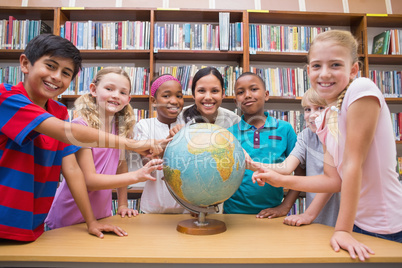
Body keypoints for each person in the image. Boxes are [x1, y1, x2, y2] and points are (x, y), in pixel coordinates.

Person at [251, 30, 402, 261]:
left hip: (387, 227)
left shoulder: (361, 89)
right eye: (316, 66)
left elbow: (353, 165)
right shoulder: (326, 118)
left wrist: (341, 229)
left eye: (335, 65)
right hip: (357, 224)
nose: (324, 74)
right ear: (308, 70)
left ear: (353, 69)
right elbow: (333, 181)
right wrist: (280, 179)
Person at [0, 34, 166, 241]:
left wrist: (91, 221)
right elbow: (70, 134)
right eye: (50, 66)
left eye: (66, 73)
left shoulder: (59, 111)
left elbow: (72, 170)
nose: (57, 77)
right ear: (25, 63)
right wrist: (133, 146)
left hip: (34, 223)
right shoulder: (5, 97)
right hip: (5, 220)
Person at [45, 67, 164, 229]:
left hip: (101, 215)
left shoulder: (120, 128)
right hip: (69, 216)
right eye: (109, 89)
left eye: (123, 92)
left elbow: (121, 165)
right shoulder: (80, 127)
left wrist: (122, 204)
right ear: (93, 90)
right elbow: (90, 181)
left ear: (128, 99)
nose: (116, 95)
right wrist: (136, 176)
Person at [247, 88, 340, 227]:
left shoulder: (338, 135)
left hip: (339, 216)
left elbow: (331, 183)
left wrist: (308, 214)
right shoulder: (305, 136)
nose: (312, 115)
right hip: (316, 218)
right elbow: (286, 167)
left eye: (320, 108)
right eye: (307, 109)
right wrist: (250, 164)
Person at [223, 72, 300, 218]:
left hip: (273, 216)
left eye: (253, 89)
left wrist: (284, 207)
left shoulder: (285, 129)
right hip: (233, 215)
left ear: (266, 95)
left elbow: (302, 173)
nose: (247, 95)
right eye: (240, 92)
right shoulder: (228, 134)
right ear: (235, 102)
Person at [133, 74, 187, 213]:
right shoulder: (143, 125)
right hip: (152, 208)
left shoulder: (188, 127)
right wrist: (169, 140)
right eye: (167, 96)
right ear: (153, 101)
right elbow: (148, 162)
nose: (174, 101)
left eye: (179, 96)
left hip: (185, 209)